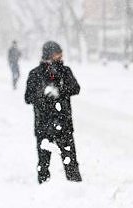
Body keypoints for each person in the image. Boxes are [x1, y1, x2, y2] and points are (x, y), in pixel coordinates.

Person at [25, 41, 82, 184]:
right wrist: (42, 94)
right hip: (43, 125)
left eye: (61, 53)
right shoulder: (35, 74)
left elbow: (76, 88)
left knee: (70, 161)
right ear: (49, 54)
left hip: (64, 124)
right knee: (43, 162)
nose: (60, 56)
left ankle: (76, 188)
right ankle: (44, 189)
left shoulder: (65, 71)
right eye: (57, 53)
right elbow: (28, 97)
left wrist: (59, 91)